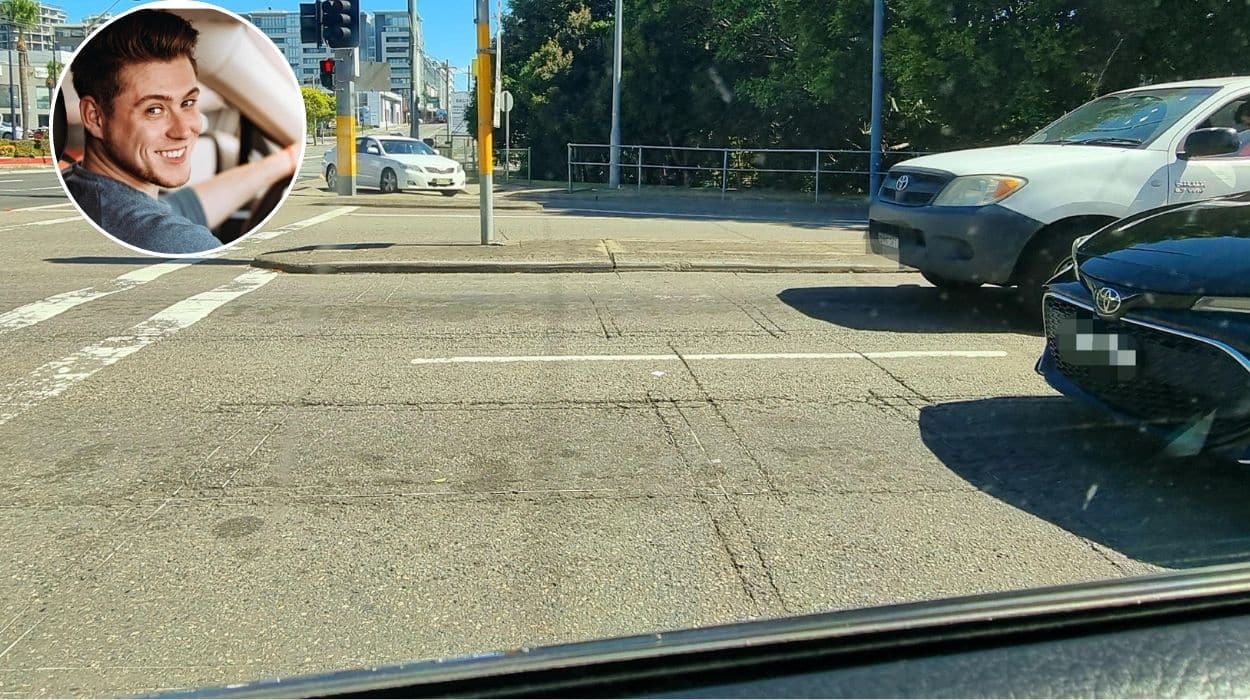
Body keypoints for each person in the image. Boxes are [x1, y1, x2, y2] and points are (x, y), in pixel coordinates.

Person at [61, 10, 298, 255]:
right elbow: (163, 226)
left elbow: (180, 208)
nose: (184, 130)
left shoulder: (84, 188)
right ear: (94, 117)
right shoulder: (175, 241)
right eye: (154, 110)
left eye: (187, 103)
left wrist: (288, 159)